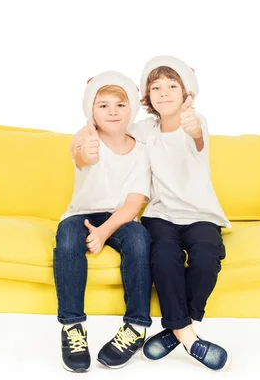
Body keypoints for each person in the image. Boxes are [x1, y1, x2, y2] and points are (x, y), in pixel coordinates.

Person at [70, 56, 232, 371]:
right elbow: (108, 123)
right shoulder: (145, 130)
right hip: (161, 216)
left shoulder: (196, 124)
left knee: (206, 258)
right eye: (156, 87)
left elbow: (197, 138)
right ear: (147, 96)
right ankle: (188, 336)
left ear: (188, 94)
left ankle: (177, 331)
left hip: (200, 215)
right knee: (164, 258)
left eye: (172, 86)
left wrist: (194, 128)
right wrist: (85, 129)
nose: (164, 92)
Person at [54, 71, 153, 372]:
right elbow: (83, 157)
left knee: (139, 240)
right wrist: (88, 151)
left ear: (131, 110)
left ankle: (136, 327)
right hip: (80, 213)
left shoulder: (142, 151)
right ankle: (73, 327)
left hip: (118, 217)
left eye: (120, 105)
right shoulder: (86, 138)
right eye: (103, 105)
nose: (112, 112)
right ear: (91, 112)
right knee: (68, 240)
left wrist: (104, 231)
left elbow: (134, 204)